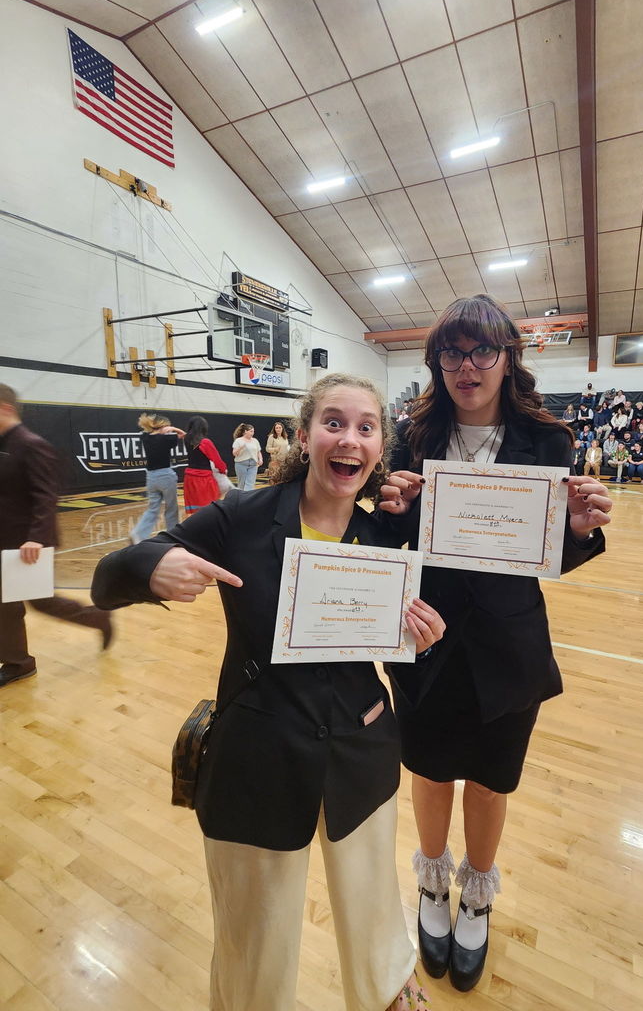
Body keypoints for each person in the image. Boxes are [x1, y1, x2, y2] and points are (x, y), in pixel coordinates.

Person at [92, 373, 445, 1011]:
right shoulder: (242, 518)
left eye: (366, 427)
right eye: (333, 422)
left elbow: (403, 669)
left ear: (380, 446)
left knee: (371, 907)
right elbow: (105, 581)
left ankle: (390, 987)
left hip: (360, 753)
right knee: (254, 937)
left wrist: (421, 643)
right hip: (256, 758)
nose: (349, 439)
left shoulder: (386, 540)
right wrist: (151, 565)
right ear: (306, 435)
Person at [377, 295, 611, 992]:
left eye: (483, 351)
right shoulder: (409, 439)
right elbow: (392, 543)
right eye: (452, 353)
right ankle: (431, 888)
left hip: (509, 644)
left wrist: (577, 529)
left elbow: (549, 558)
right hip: (424, 638)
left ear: (508, 358)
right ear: (436, 362)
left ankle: (477, 892)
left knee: (489, 778)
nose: (467, 366)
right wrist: (390, 508)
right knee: (429, 771)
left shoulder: (548, 441)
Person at [0, 383, 112, 687]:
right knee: (6, 604)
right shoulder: (5, 444)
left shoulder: (30, 444)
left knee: (41, 602)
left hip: (27, 544)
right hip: (6, 541)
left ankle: (98, 617)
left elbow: (46, 496)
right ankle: (18, 663)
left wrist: (36, 536)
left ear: (5, 408)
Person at [131, 413, 186, 544]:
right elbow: (183, 434)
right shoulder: (167, 439)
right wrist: (173, 429)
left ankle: (137, 534)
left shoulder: (145, 437)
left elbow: (148, 432)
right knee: (171, 508)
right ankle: (172, 536)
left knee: (152, 509)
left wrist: (165, 430)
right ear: (164, 426)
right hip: (165, 476)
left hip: (151, 477)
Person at [232, 423, 262, 491]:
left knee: (250, 483)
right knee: (241, 484)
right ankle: (241, 498)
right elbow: (234, 453)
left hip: (253, 464)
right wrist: (240, 448)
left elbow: (258, 451)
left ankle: (248, 498)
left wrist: (260, 459)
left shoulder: (255, 441)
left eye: (253, 431)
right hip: (241, 463)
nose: (253, 433)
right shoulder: (238, 440)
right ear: (245, 431)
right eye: (251, 431)